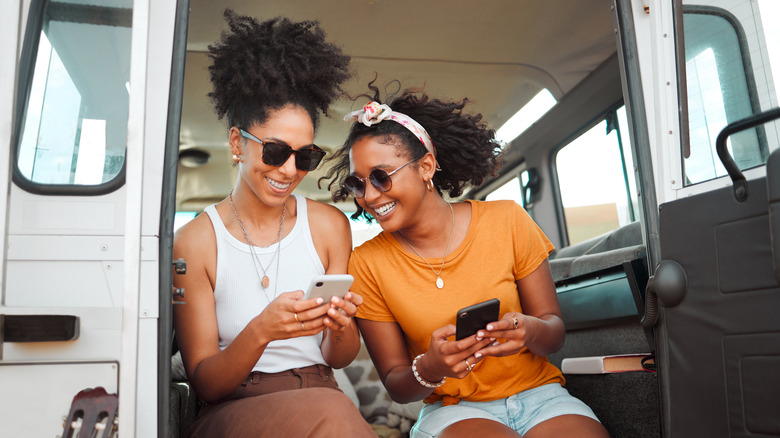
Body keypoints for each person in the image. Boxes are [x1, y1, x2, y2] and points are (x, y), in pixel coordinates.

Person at [322, 85, 609, 438]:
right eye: (358, 183)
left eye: (381, 177)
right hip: (453, 411)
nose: (369, 196)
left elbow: (554, 333)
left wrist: (528, 330)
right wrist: (430, 367)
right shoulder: (366, 263)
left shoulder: (507, 220)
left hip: (542, 396)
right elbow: (398, 386)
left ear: (426, 166)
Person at [172, 10, 375, 437]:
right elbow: (206, 379)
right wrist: (262, 330)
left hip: (322, 391)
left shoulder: (329, 226)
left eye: (305, 157)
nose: (289, 170)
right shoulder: (194, 242)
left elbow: (339, 356)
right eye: (275, 151)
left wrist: (339, 328)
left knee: (332, 410)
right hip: (236, 406)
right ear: (236, 143)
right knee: (335, 416)